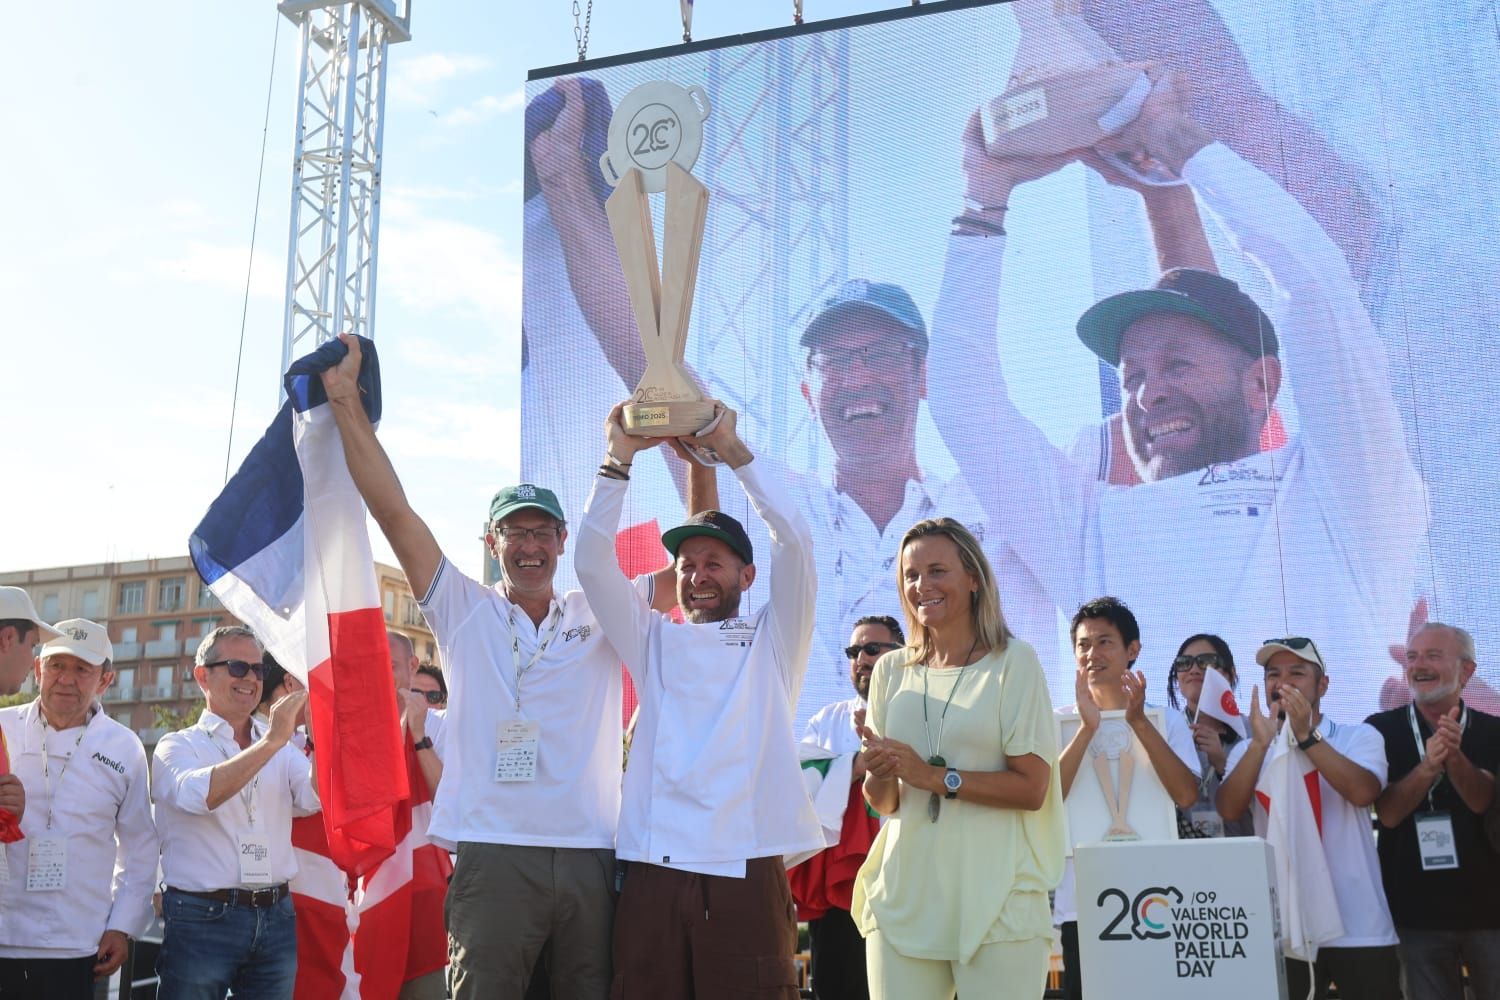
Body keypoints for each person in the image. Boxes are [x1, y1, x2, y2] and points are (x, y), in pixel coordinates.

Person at [928, 76, 1425, 719]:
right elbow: (963, 400)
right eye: (1131, 375)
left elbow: (1317, 286)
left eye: (1177, 364)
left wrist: (1183, 144)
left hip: (1341, 811)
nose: (1147, 392)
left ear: (1262, 383)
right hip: (1160, 819)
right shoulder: (1092, 528)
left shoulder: (1344, 487)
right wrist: (984, 198)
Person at [319, 333, 686, 999]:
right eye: (514, 532)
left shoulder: (597, 607)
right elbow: (394, 511)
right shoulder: (464, 608)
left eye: (542, 531)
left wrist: (700, 453)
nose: (529, 545)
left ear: (562, 542)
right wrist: (344, 399)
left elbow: (693, 573)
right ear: (491, 544)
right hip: (493, 853)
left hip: (588, 854)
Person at [577, 401, 823, 999]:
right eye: (686, 565)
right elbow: (589, 562)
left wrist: (733, 453)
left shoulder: (774, 639)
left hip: (744, 865)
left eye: (714, 562)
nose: (697, 574)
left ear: (747, 577)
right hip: (653, 869)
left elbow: (794, 541)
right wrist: (617, 459)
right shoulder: (652, 637)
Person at [851, 519, 1063, 999]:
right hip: (903, 898)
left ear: (973, 577)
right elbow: (884, 802)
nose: (921, 586)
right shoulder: (889, 671)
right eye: (909, 575)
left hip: (999, 901)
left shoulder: (1015, 663)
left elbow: (1032, 789)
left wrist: (930, 776)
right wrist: (880, 771)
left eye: (936, 570)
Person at [1218, 637, 1400, 999]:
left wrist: (1305, 735)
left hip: (1359, 925)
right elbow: (1229, 809)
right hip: (1285, 926)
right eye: (1273, 674)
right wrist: (1259, 745)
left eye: (1297, 673)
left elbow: (1363, 792)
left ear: (1323, 685)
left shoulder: (1357, 737)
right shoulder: (1249, 746)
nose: (1282, 682)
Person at [152, 625, 317, 1000]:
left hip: (275, 912)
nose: (251, 679)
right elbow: (200, 795)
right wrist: (274, 740)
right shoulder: (176, 745)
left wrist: (320, 743)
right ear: (202, 676)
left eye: (258, 670)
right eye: (238, 668)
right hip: (202, 916)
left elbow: (311, 798)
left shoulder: (279, 745)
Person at [0, 618, 157, 999]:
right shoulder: (2, 726)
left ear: (105, 680)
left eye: (82, 669)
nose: (66, 680)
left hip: (76, 941)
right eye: (57, 665)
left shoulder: (125, 747)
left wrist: (122, 927)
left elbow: (139, 849)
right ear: (38, 669)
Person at [1052, 596, 1200, 1000]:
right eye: (1083, 645)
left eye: (1104, 642)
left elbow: (1186, 794)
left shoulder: (1163, 720)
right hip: (1082, 902)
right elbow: (1048, 798)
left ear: (1132, 650)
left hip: (1156, 896)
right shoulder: (1059, 722)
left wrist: (1136, 722)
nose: (1091, 654)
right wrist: (1086, 729)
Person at [1365, 623, 1500, 999]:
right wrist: (1427, 767)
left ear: (1467, 670)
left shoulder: (1493, 731)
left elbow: (1483, 801)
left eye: (1433, 656)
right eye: (1412, 657)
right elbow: (1388, 814)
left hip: (1490, 910)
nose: (1418, 666)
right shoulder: (1379, 729)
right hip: (1415, 913)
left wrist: (1453, 757)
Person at [794, 615, 904, 1000]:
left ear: (901, 655)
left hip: (911, 880)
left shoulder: (923, 711)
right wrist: (856, 766)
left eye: (873, 649)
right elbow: (799, 780)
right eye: (854, 651)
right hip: (845, 888)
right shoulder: (828, 720)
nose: (862, 658)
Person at [1166, 633, 1253, 839]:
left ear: (1230, 674)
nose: (1194, 670)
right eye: (1184, 663)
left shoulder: (1254, 731)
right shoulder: (1165, 731)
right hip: (1181, 859)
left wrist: (1224, 766)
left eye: (1206, 662)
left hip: (1246, 854)